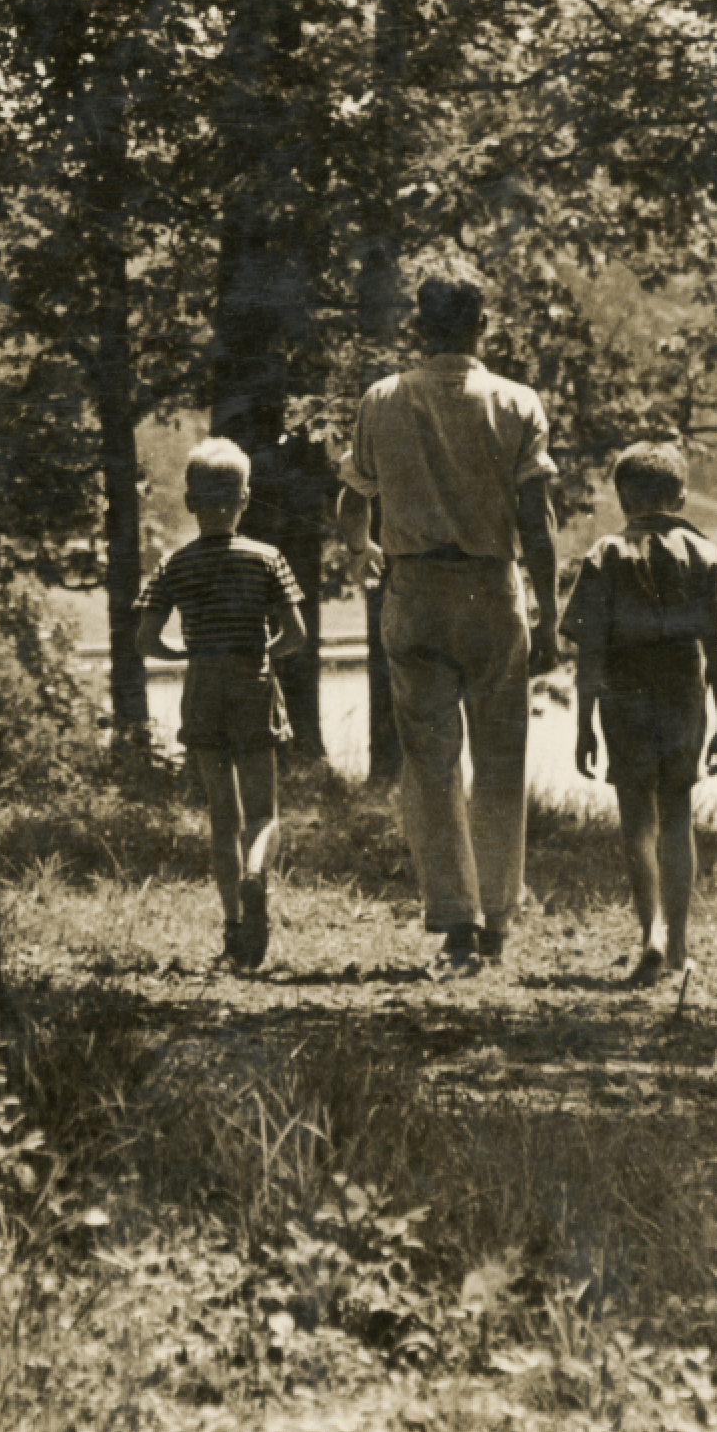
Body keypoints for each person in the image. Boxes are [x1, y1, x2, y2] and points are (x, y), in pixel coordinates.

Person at [334, 264, 560, 974]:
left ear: (419, 327)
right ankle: (497, 916)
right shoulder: (517, 403)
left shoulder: (381, 399)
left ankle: (455, 922)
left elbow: (353, 499)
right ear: (482, 325)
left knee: (430, 764)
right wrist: (551, 612)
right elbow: (538, 521)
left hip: (416, 591)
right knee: (500, 759)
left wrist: (359, 552)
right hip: (491, 590)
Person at [563, 439, 717, 988]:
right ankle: (680, 946)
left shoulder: (603, 556)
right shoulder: (705, 555)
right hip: (682, 695)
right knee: (676, 816)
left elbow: (589, 652)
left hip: (623, 696)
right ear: (682, 496)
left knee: (636, 820)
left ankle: (650, 932)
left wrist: (583, 726)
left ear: (622, 498)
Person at [136, 438, 310, 970]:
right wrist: (263, 651)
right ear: (245, 499)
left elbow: (146, 641)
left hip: (203, 686)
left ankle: (234, 929)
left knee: (222, 818)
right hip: (251, 683)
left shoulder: (174, 565)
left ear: (191, 502)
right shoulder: (267, 558)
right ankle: (257, 872)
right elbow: (295, 635)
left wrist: (186, 652)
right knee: (264, 813)